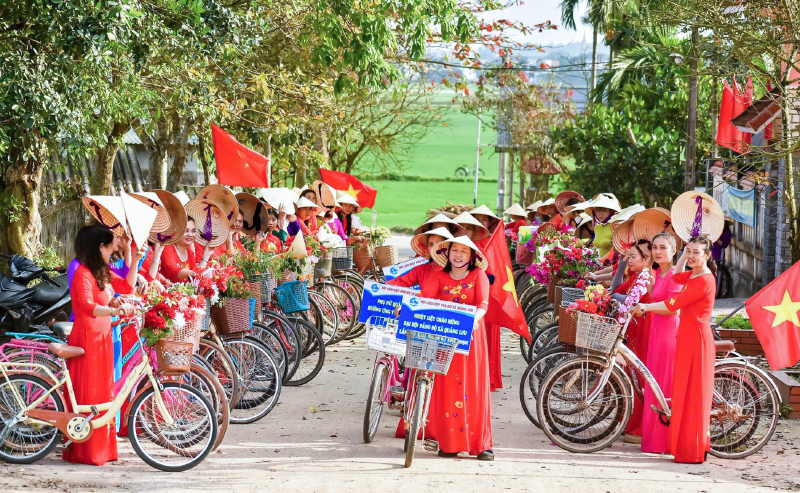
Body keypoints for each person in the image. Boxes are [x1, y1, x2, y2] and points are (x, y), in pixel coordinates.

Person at [634, 235, 717, 463]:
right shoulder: (693, 274)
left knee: (693, 397)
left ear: (707, 255)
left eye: (696, 252)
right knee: (683, 394)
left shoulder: (704, 280)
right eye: (688, 251)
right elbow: (677, 275)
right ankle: (684, 445)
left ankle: (693, 448)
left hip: (697, 340)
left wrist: (646, 306)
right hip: (686, 337)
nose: (690, 256)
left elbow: (673, 304)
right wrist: (683, 255)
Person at [63, 226, 138, 466]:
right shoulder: (83, 273)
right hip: (88, 339)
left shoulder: (101, 272)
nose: (112, 250)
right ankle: (88, 451)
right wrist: (114, 309)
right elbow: (85, 306)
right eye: (110, 246)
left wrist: (134, 258)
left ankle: (102, 450)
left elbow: (126, 286)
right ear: (100, 247)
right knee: (91, 393)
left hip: (103, 338)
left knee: (105, 391)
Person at [415, 236, 493, 460]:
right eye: (454, 250)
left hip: (471, 339)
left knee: (473, 388)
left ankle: (482, 445)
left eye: (464, 251)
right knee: (446, 387)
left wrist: (472, 321)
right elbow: (424, 299)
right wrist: (406, 308)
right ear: (447, 254)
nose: (458, 255)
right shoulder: (437, 276)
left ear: (472, 257)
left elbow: (483, 305)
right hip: (444, 340)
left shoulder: (478, 276)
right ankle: (449, 443)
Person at [641, 233, 686, 454]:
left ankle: (664, 440)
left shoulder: (675, 275)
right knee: (654, 381)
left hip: (669, 333)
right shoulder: (659, 273)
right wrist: (649, 279)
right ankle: (653, 440)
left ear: (674, 250)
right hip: (656, 331)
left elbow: (673, 307)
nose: (657, 251)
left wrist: (647, 308)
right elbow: (654, 297)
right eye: (654, 247)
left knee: (664, 383)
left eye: (663, 248)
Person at [610, 240, 653, 442]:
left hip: (646, 330)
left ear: (646, 259)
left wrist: (621, 298)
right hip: (633, 329)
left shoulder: (648, 277)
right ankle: (631, 422)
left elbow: (622, 297)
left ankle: (640, 426)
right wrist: (622, 263)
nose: (630, 261)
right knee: (632, 376)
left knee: (640, 377)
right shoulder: (637, 276)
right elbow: (614, 290)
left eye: (634, 257)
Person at [387, 227, 452, 288]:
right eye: (431, 244)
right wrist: (381, 286)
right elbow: (400, 282)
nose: (434, 248)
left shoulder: (456, 268)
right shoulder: (422, 269)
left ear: (448, 246)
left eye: (438, 244)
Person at [161, 217, 212, 282]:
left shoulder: (189, 252)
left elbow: (195, 275)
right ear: (176, 231)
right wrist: (196, 274)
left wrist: (207, 255)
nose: (190, 234)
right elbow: (172, 270)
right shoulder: (167, 247)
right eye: (186, 231)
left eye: (193, 231)